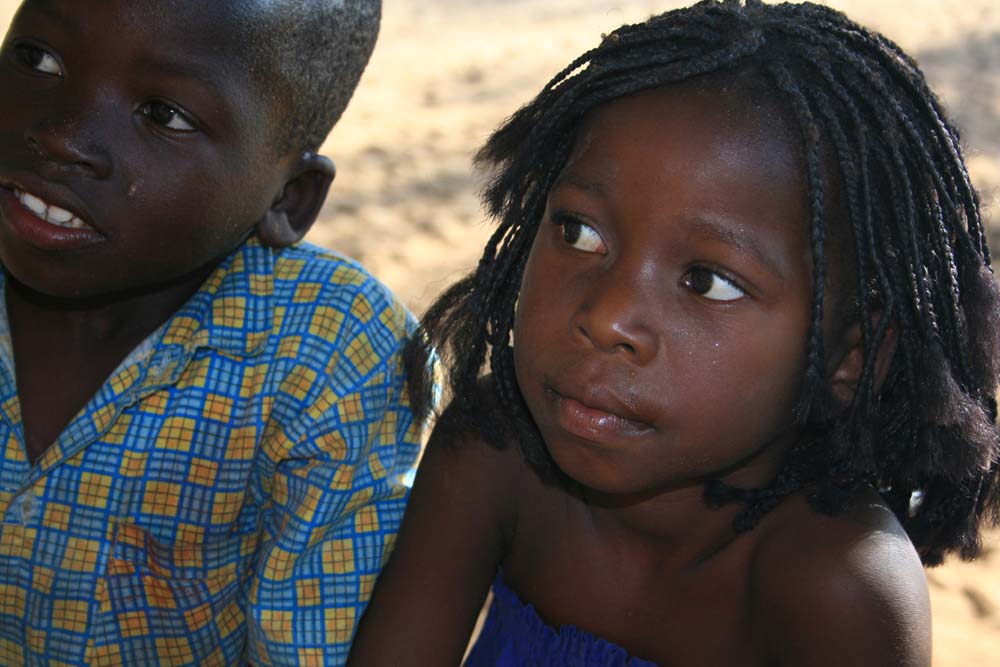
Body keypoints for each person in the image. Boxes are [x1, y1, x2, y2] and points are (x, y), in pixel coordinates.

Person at [347, 1, 1000, 665]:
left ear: (849, 357)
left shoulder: (843, 590)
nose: (606, 317)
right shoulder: (495, 455)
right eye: (579, 231)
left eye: (708, 281)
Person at [0, 0, 430, 665]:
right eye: (38, 58)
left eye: (164, 114)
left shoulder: (327, 355)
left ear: (288, 199)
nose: (62, 136)